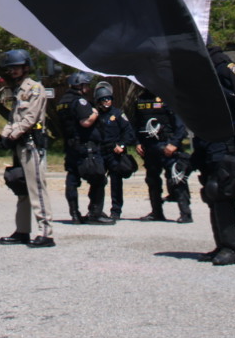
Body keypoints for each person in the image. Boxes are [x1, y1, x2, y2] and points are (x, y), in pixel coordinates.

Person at [191, 40, 235, 265]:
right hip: (205, 133)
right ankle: (220, 244)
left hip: (223, 133)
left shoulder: (222, 65)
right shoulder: (198, 67)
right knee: (210, 191)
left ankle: (231, 248)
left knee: (221, 189)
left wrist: (211, 93)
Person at [0, 49, 54, 248]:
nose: (12, 71)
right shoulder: (18, 90)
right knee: (22, 189)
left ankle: (46, 232)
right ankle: (22, 230)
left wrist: (12, 134)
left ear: (26, 67)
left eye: (16, 67)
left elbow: (30, 118)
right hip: (19, 143)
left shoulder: (35, 88)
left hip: (31, 144)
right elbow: (14, 118)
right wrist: (5, 134)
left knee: (36, 187)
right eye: (10, 68)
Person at [133, 89, 192, 223]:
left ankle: (186, 213)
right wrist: (137, 142)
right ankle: (156, 212)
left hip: (167, 146)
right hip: (149, 146)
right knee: (152, 181)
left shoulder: (168, 96)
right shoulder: (140, 100)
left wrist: (174, 144)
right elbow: (136, 124)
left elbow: (181, 126)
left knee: (176, 178)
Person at [53, 72, 102, 224]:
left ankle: (74, 213)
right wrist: (95, 113)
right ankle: (95, 214)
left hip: (70, 146)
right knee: (98, 178)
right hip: (85, 146)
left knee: (72, 179)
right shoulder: (79, 101)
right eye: (86, 84)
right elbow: (85, 122)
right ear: (79, 85)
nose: (87, 87)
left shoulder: (62, 102)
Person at [91, 81, 136, 222]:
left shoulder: (118, 114)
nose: (107, 101)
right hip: (99, 152)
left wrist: (121, 145)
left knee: (116, 182)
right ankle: (96, 210)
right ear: (98, 101)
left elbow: (129, 132)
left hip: (114, 153)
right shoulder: (95, 115)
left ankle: (116, 210)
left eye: (109, 98)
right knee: (98, 180)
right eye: (104, 99)